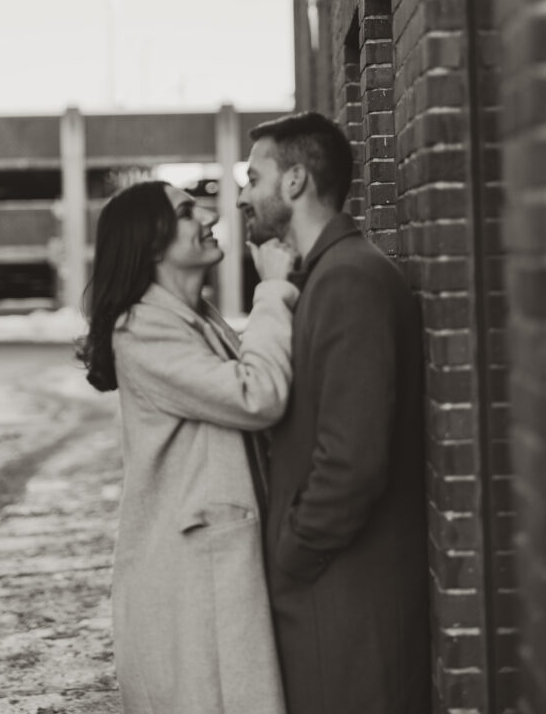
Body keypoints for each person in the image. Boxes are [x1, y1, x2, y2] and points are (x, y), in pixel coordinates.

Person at [77, 179, 298, 714]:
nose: (209, 217)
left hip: (213, 567)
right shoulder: (141, 330)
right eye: (185, 211)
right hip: (190, 580)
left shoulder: (195, 317)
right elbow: (256, 394)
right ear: (151, 241)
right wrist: (272, 291)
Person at [238, 111, 430, 714]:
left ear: (294, 182)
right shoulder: (323, 276)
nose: (243, 196)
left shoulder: (350, 280)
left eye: (253, 177)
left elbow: (352, 461)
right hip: (331, 599)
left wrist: (292, 556)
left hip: (346, 605)